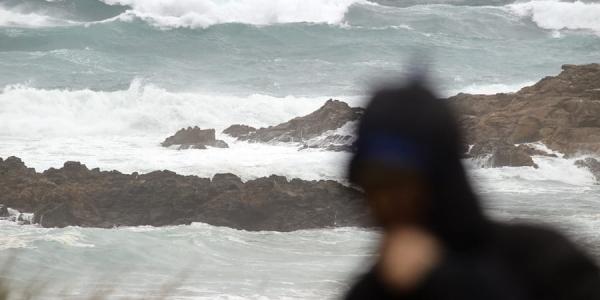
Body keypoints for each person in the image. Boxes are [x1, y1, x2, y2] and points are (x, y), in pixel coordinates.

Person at [344, 81, 600, 299]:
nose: (385, 201)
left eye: (400, 182)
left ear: (442, 177)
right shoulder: (373, 290)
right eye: (373, 184)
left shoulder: (541, 258)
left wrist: (450, 282)